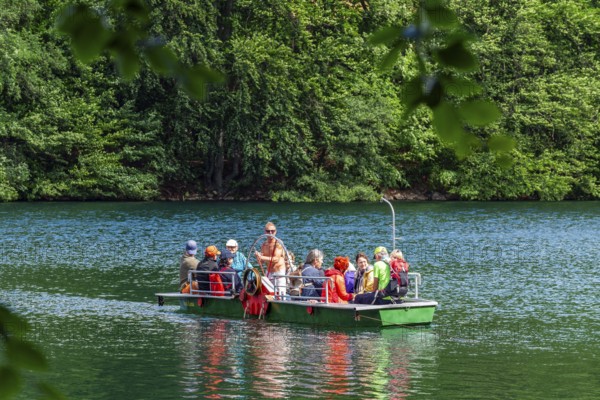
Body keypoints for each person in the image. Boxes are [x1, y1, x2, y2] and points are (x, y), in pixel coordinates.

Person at [255, 222, 287, 296]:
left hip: (279, 272)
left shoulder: (278, 243)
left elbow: (276, 259)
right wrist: (258, 256)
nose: (270, 233)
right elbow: (262, 262)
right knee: (269, 294)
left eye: (272, 231)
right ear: (264, 231)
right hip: (269, 273)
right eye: (268, 231)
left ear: (276, 231)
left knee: (281, 294)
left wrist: (261, 257)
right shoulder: (264, 245)